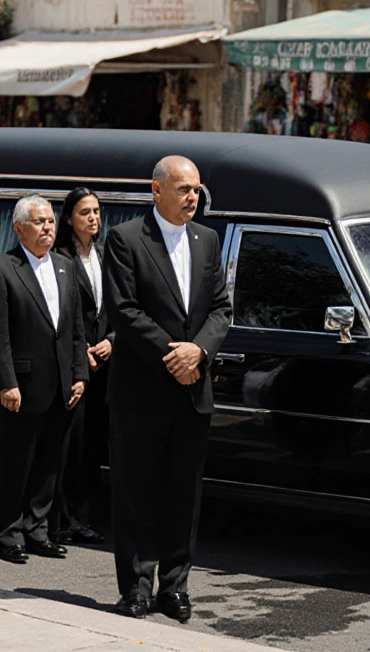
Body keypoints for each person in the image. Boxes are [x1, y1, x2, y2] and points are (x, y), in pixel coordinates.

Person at [102, 156, 232, 622]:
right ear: (156, 190)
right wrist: (172, 357)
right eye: (183, 189)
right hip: (141, 390)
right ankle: (135, 588)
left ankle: (175, 586)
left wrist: (198, 352)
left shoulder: (207, 240)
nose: (192, 197)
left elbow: (221, 308)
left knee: (184, 494)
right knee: (136, 493)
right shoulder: (125, 239)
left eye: (196, 190)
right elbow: (124, 310)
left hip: (192, 389)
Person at [0, 195, 88, 565]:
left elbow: (75, 329)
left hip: (61, 384)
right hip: (22, 386)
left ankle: (38, 529)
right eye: (39, 222)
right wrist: (5, 382)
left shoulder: (65, 266)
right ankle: (10, 534)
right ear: (19, 228)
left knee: (49, 463)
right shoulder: (1, 269)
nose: (47, 228)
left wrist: (79, 374)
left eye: (50, 221)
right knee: (18, 463)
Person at [50, 187, 113, 547]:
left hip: (105, 365)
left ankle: (81, 518)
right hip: (74, 362)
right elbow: (59, 310)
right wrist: (81, 350)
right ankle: (58, 521)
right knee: (67, 446)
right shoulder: (59, 257)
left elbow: (120, 305)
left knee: (92, 447)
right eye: (85, 212)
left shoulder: (106, 254)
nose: (93, 218)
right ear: (69, 218)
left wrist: (112, 341)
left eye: (97, 212)